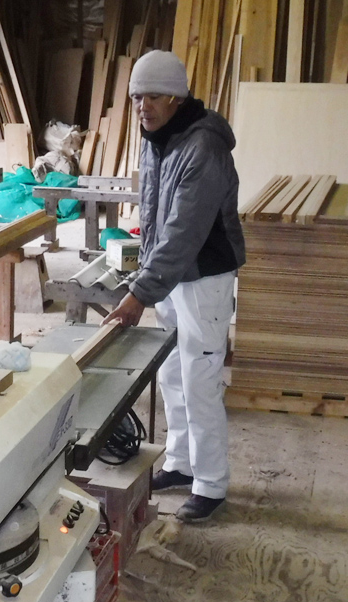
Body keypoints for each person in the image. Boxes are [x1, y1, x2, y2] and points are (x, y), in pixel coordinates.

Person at [103, 50, 245, 524]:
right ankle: (182, 463)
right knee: (170, 374)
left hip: (204, 278)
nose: (142, 106)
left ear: (176, 98)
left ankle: (211, 484)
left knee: (200, 379)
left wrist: (139, 294)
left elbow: (184, 233)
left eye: (152, 97)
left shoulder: (204, 148)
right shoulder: (157, 139)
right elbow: (153, 215)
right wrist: (145, 273)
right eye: (136, 97)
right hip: (169, 276)